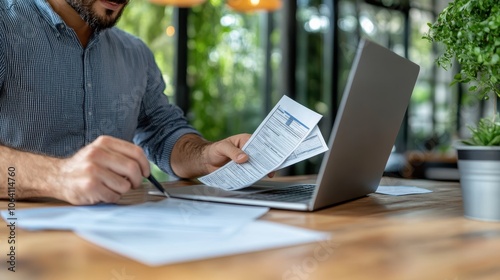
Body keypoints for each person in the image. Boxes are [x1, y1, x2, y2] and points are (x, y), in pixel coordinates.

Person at [0, 0, 259, 205]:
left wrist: (204, 155)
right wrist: (60, 177)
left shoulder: (135, 53)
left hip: (118, 240)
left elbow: (161, 132)